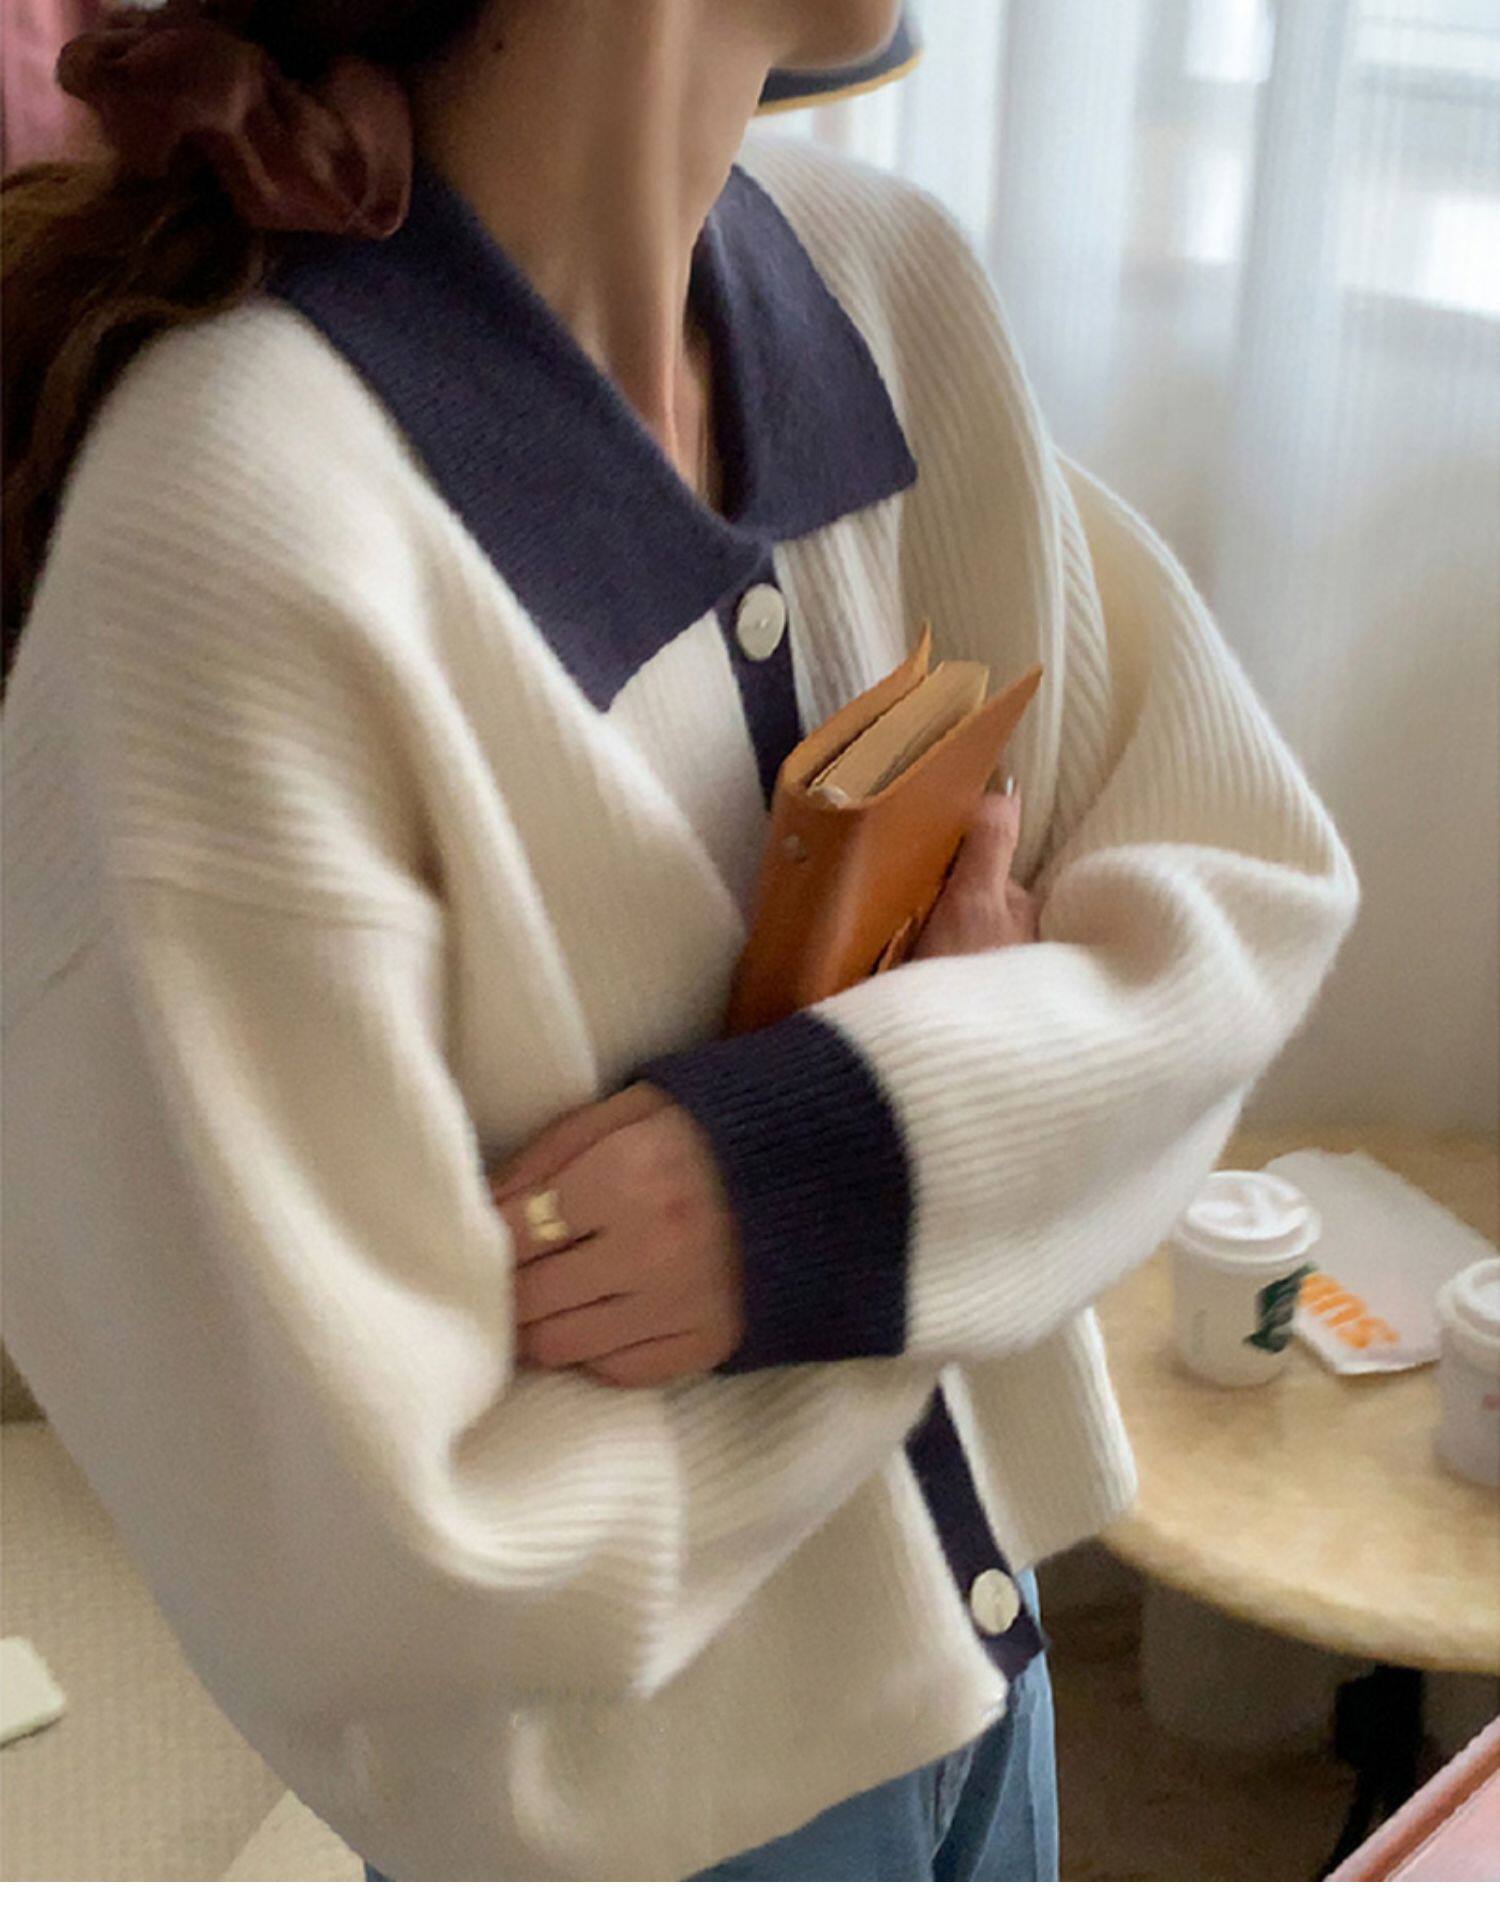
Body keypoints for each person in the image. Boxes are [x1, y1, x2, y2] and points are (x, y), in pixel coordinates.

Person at [0, 0, 1361, 1884]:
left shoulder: (878, 287)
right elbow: (381, 1548)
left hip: (987, 1667)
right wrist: (916, 1196)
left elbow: (1244, 882)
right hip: (643, 1838)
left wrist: (846, 1172)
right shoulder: (234, 542)